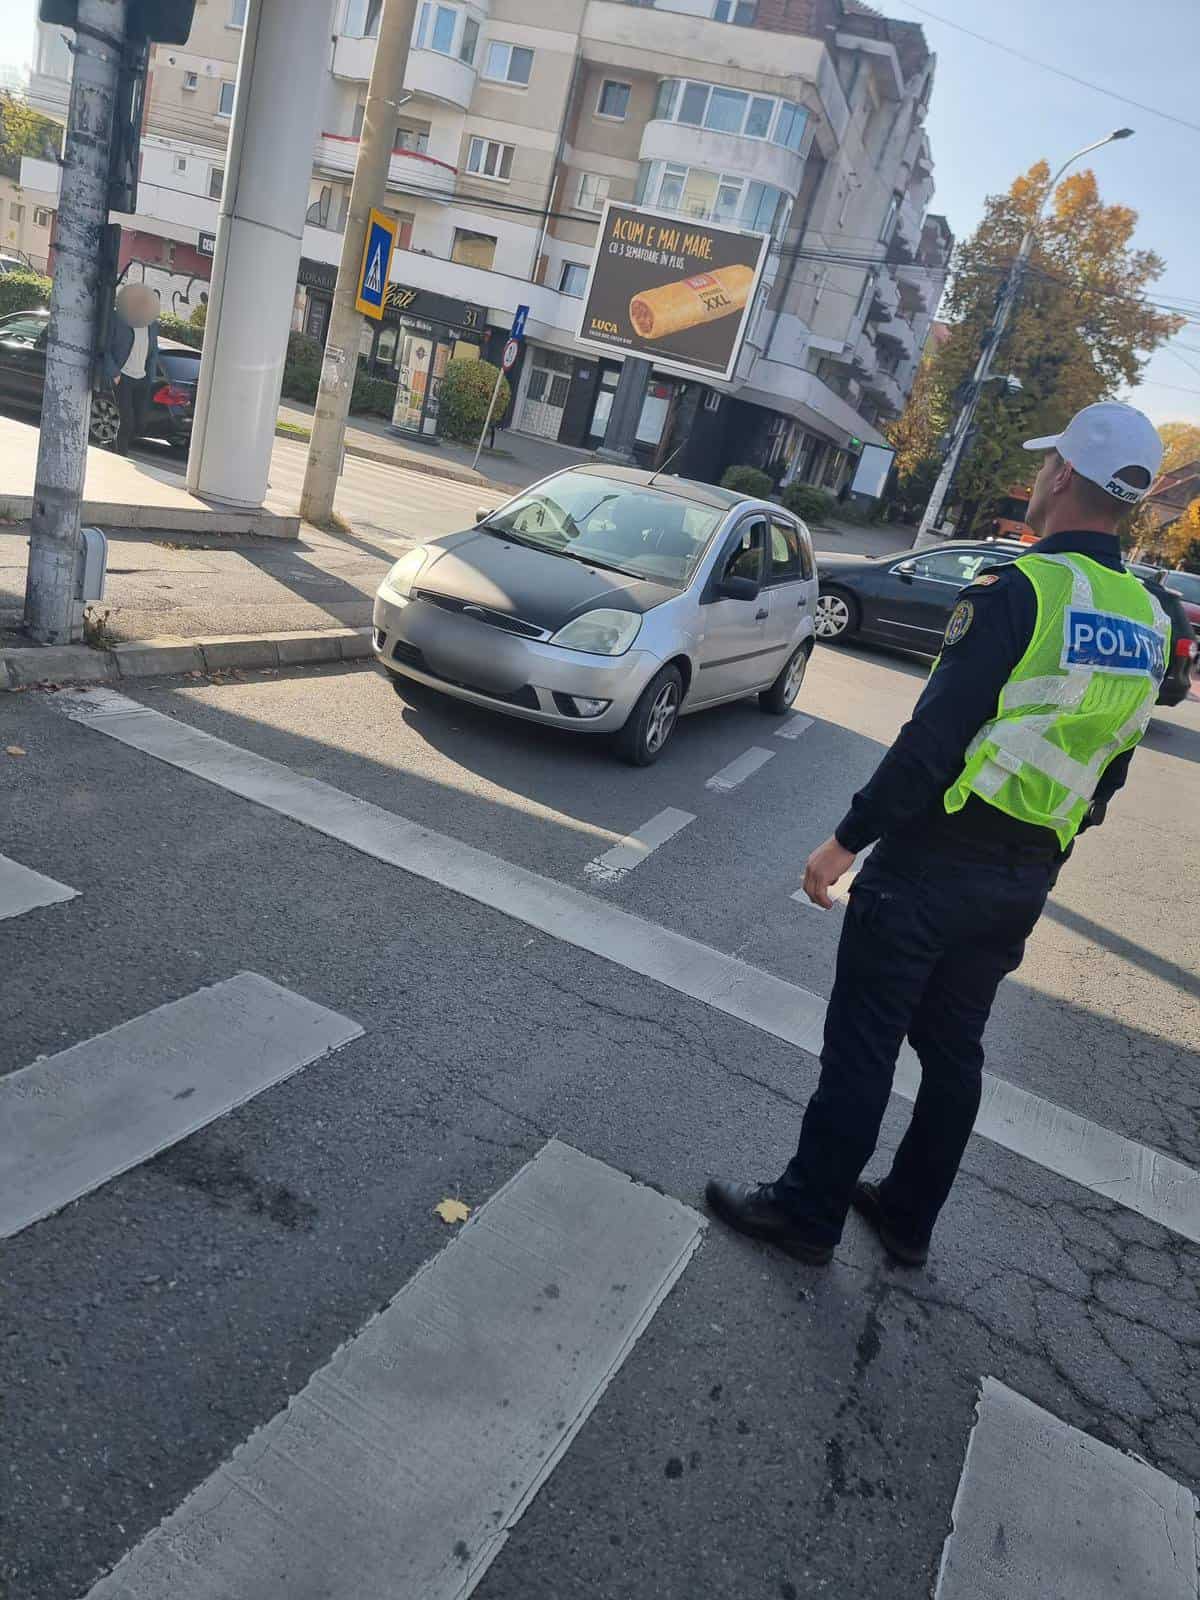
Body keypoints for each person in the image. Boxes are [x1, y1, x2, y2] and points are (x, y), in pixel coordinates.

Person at [706, 401, 1168, 1269]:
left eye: (1044, 467)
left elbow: (931, 742)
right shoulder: (1150, 620)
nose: (1035, 480)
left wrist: (845, 840)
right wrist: (1048, 852)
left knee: (865, 1041)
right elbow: (1111, 765)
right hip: (1022, 877)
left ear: (1064, 475)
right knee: (953, 1050)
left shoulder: (1020, 591)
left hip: (933, 865)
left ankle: (808, 1214)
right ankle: (908, 1219)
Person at [101, 282, 165, 454]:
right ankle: (120, 454)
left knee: (140, 423)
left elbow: (153, 352)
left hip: (142, 379)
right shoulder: (118, 320)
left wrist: (150, 376)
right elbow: (104, 349)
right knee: (127, 420)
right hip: (123, 377)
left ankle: (113, 443)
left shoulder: (151, 325)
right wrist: (114, 373)